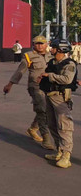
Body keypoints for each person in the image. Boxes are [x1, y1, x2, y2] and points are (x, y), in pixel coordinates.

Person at [3, 35, 55, 149]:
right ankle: (46, 139)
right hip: (36, 86)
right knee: (42, 110)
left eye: (42, 43)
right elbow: (20, 71)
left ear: (46, 44)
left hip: (51, 87)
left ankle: (33, 129)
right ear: (33, 45)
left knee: (47, 110)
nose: (40, 46)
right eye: (37, 43)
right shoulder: (28, 56)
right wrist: (10, 84)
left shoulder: (52, 56)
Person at [39, 39, 76, 169]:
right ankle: (59, 151)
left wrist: (50, 76)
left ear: (60, 49)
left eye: (53, 47)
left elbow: (67, 79)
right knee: (52, 124)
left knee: (64, 125)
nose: (51, 49)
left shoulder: (69, 64)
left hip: (60, 98)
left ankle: (66, 155)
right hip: (49, 96)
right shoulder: (53, 62)